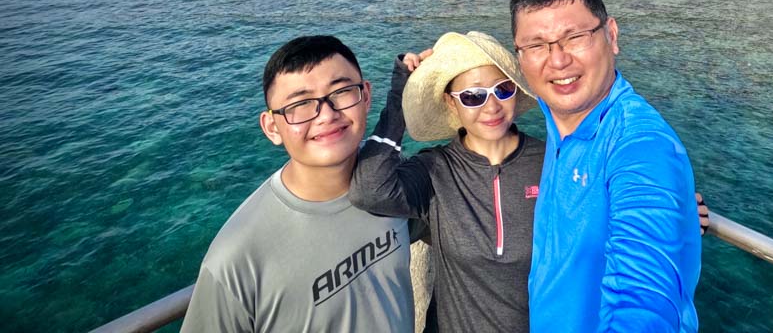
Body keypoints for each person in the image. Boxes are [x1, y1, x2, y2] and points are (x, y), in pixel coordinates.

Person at [181, 35, 415, 333]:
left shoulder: (394, 185)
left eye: (342, 91)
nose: (327, 115)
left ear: (366, 96)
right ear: (271, 128)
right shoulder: (236, 257)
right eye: (301, 104)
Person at [511, 0, 701, 332]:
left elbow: (644, 297)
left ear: (611, 35)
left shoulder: (641, 145)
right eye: (536, 45)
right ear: (520, 58)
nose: (558, 60)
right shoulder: (562, 123)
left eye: (576, 36)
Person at [350, 31, 542, 333]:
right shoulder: (435, 170)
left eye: (502, 90)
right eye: (473, 96)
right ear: (451, 104)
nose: (491, 107)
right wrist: (399, 97)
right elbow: (369, 189)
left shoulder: (548, 161)